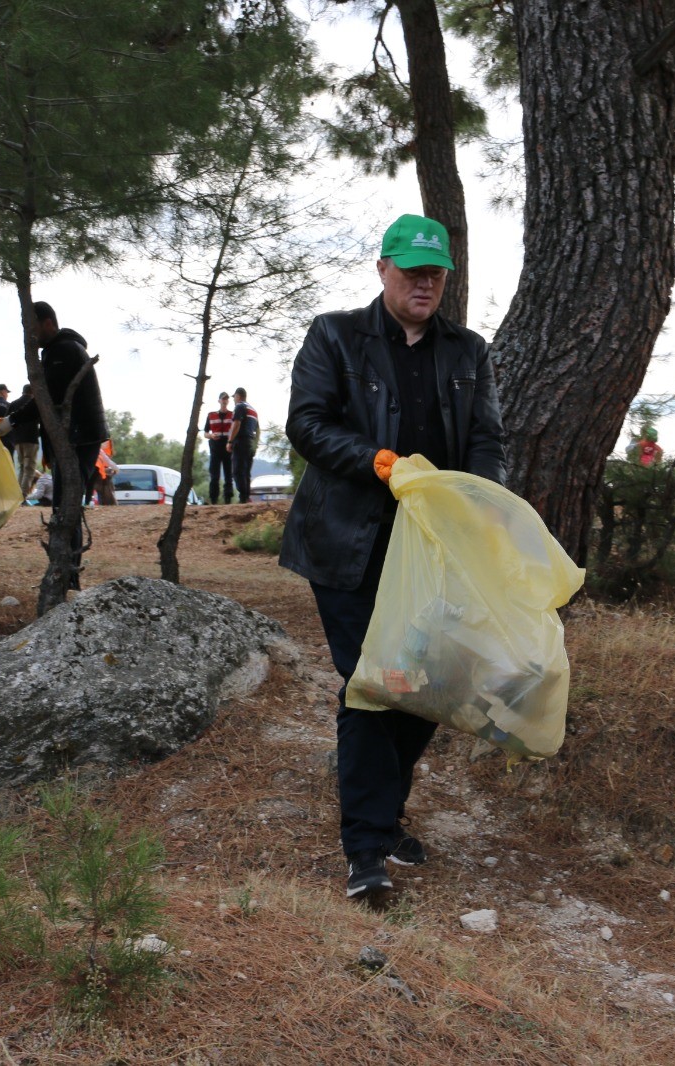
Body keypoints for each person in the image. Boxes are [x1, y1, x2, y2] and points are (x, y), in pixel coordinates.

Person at [279, 213, 505, 900]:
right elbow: (307, 423)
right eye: (412, 271)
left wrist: (480, 500)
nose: (424, 283)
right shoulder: (334, 335)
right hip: (347, 543)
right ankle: (367, 849)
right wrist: (377, 461)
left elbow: (487, 441)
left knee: (426, 689)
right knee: (375, 686)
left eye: (435, 273)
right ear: (383, 270)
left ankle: (380, 808)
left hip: (433, 551)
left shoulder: (468, 352)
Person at [7, 302, 107, 575]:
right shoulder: (57, 349)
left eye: (34, 326)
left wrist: (12, 420)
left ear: (48, 322)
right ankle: (65, 570)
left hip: (79, 437)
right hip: (75, 437)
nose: (31, 334)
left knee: (67, 505)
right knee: (65, 503)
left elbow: (46, 398)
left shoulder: (63, 350)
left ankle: (67, 573)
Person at [6, 383, 41, 497]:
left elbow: (8, 420)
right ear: (33, 391)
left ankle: (18, 493)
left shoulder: (14, 403)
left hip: (17, 440)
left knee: (21, 467)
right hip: (31, 438)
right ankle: (23, 494)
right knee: (29, 467)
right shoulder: (35, 403)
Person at [203, 391, 235, 504]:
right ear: (219, 401)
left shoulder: (233, 415)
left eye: (226, 399)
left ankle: (228, 498)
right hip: (215, 449)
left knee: (228, 475)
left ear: (228, 401)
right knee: (214, 476)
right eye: (223, 399)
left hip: (228, 448)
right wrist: (211, 435)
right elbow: (205, 433)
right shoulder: (211, 415)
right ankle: (214, 499)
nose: (224, 400)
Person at [229, 386, 258, 503]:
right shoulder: (253, 410)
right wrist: (255, 445)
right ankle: (246, 497)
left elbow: (236, 424)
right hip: (251, 442)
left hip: (241, 441)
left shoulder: (240, 406)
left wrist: (230, 441)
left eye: (234, 397)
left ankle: (243, 497)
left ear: (237, 396)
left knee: (237, 470)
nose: (233, 400)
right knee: (246, 471)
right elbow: (258, 429)